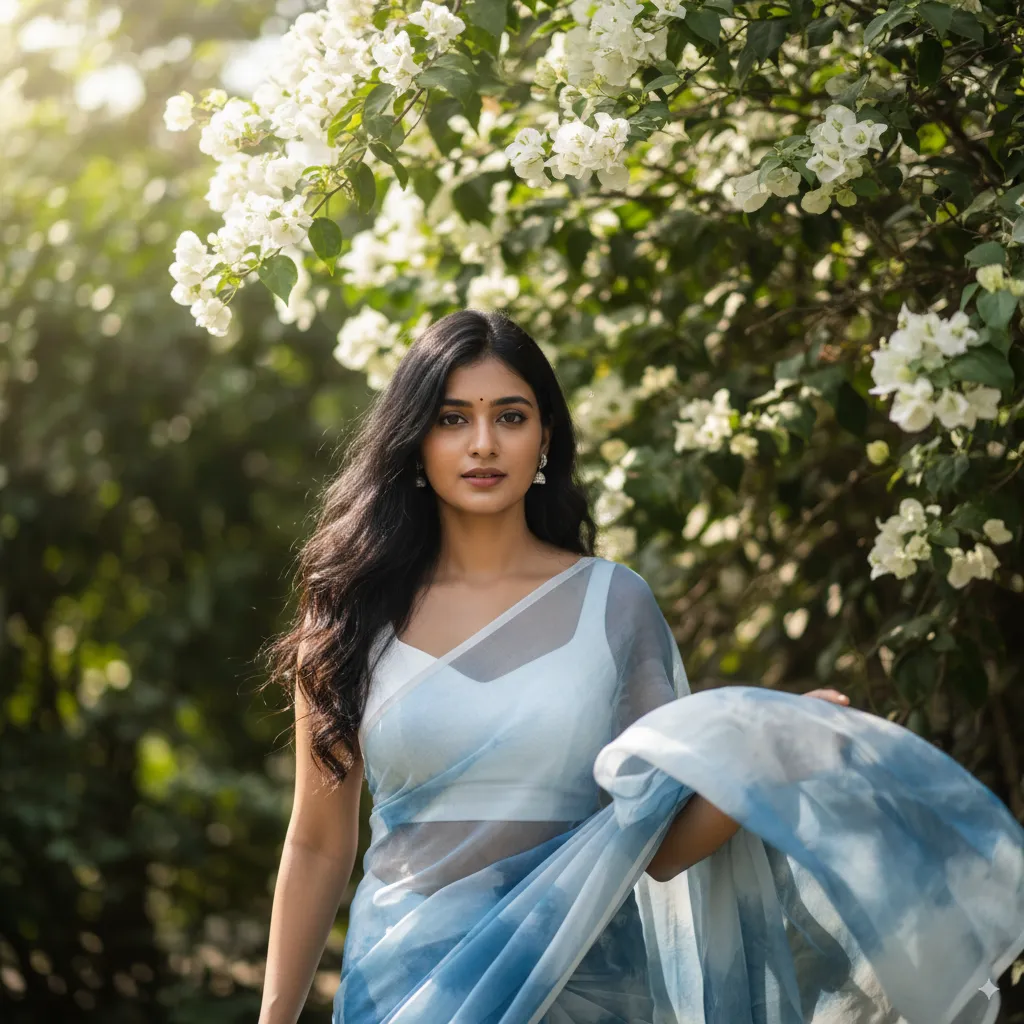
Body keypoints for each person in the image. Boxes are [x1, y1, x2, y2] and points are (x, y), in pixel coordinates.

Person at [258, 309, 1024, 1024]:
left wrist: (769, 753)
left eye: (510, 417)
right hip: (404, 987)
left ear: (546, 438)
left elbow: (656, 844)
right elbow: (319, 844)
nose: (483, 443)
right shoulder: (353, 610)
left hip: (587, 989)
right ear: (416, 441)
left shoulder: (613, 606)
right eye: (453, 419)